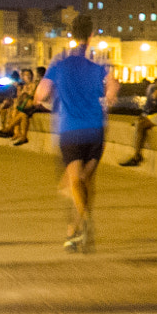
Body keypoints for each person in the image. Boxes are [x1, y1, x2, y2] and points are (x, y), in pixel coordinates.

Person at [36, 19, 117, 253]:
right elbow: (113, 86)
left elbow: (40, 94)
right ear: (91, 35)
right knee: (86, 182)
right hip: (95, 130)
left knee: (73, 181)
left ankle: (83, 222)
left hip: (70, 130)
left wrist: (55, 105)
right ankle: (74, 230)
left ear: (71, 34)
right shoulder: (98, 63)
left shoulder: (59, 63)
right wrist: (107, 99)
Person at [120, 58, 157, 166]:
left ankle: (137, 156)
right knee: (142, 120)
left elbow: (155, 96)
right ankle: (137, 155)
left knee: (141, 125)